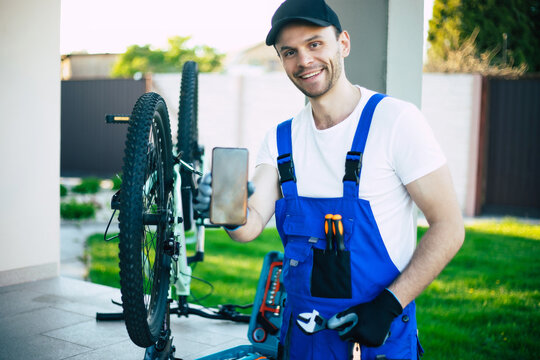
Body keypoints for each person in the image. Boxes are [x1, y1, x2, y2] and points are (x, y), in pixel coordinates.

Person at [195, 0, 464, 358]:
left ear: (344, 43)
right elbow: (250, 225)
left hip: (375, 339)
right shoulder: (280, 140)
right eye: (290, 51)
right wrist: (226, 209)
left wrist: (387, 306)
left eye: (315, 44)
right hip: (303, 342)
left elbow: (448, 227)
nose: (303, 60)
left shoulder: (396, 121)